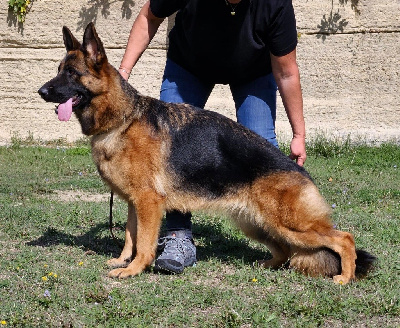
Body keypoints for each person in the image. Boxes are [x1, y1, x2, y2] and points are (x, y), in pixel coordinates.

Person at [118, 0, 307, 274]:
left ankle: (297, 234)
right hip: (190, 66)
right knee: (169, 152)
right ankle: (178, 237)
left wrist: (298, 134)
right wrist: (123, 72)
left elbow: (287, 72)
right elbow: (150, 16)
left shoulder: (274, 3)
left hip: (252, 71)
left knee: (264, 153)